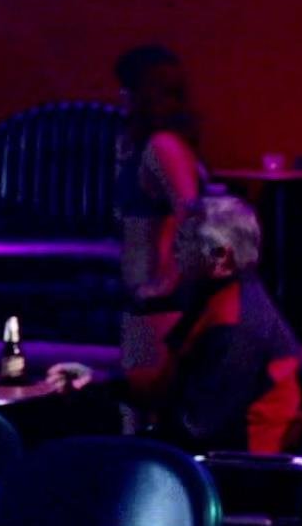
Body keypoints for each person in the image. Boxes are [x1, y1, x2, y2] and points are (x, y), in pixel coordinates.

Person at [126, 196, 302, 454]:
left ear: (222, 257)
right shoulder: (215, 296)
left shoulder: (235, 326)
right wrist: (99, 382)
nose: (175, 250)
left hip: (230, 465)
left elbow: (197, 426)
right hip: (202, 450)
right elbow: (169, 387)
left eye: (186, 241)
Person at [111, 45, 205, 382]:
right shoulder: (147, 143)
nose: (120, 97)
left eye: (126, 88)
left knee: (145, 388)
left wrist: (167, 282)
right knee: (138, 387)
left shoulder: (163, 145)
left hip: (158, 295)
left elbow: (191, 211)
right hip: (143, 290)